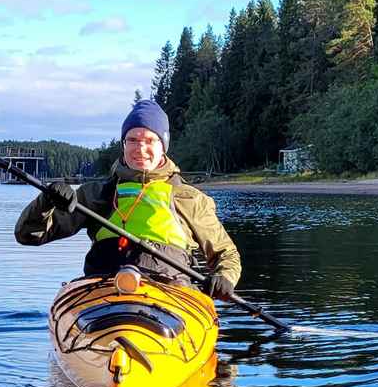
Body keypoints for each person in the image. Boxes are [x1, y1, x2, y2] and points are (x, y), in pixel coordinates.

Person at [14, 99, 241, 301]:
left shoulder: (189, 198)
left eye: (149, 140)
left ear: (163, 146)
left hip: (170, 297)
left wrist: (224, 277)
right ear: (123, 145)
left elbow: (226, 254)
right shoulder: (95, 194)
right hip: (104, 295)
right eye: (132, 140)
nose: (140, 148)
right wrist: (46, 202)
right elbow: (29, 235)